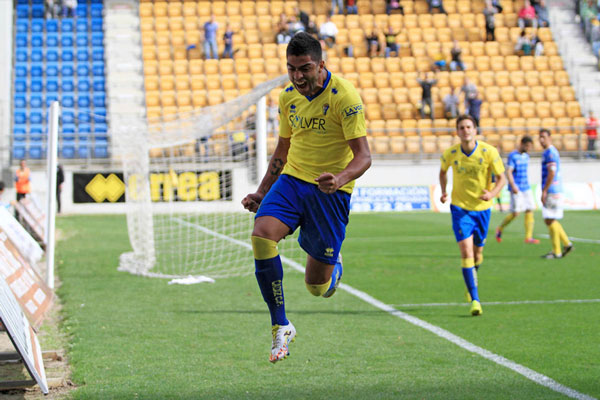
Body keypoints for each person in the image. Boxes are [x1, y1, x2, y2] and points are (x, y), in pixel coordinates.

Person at [241, 32, 371, 363]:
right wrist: (262, 191)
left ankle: (333, 266)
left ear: (321, 65)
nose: (298, 76)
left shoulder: (346, 97)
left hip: (330, 191)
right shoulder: (287, 98)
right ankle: (280, 325)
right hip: (293, 181)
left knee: (317, 287)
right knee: (261, 234)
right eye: (292, 69)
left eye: (305, 68)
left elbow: (364, 156)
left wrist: (339, 178)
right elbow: (282, 149)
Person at [439, 115, 507, 316]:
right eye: (461, 127)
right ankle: (475, 299)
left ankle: (472, 277)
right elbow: (442, 172)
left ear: (475, 130)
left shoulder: (489, 152)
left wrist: (492, 194)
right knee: (466, 253)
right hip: (460, 209)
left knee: (477, 253)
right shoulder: (450, 153)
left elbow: (502, 178)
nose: (465, 130)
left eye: (469, 126)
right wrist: (444, 191)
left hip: (483, 209)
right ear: (457, 131)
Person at [495, 136, 540, 244]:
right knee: (516, 213)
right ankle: (500, 228)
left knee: (530, 210)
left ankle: (528, 237)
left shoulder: (526, 156)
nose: (529, 148)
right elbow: (509, 171)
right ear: (522, 144)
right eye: (528, 146)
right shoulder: (513, 156)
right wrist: (513, 185)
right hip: (516, 188)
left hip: (526, 187)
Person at [538, 129, 573, 259]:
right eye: (540, 137)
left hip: (552, 190)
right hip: (555, 189)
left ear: (550, 138)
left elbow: (552, 172)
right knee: (550, 219)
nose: (541, 140)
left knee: (549, 219)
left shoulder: (550, 153)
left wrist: (545, 190)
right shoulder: (549, 152)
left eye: (543, 137)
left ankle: (557, 251)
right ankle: (566, 243)